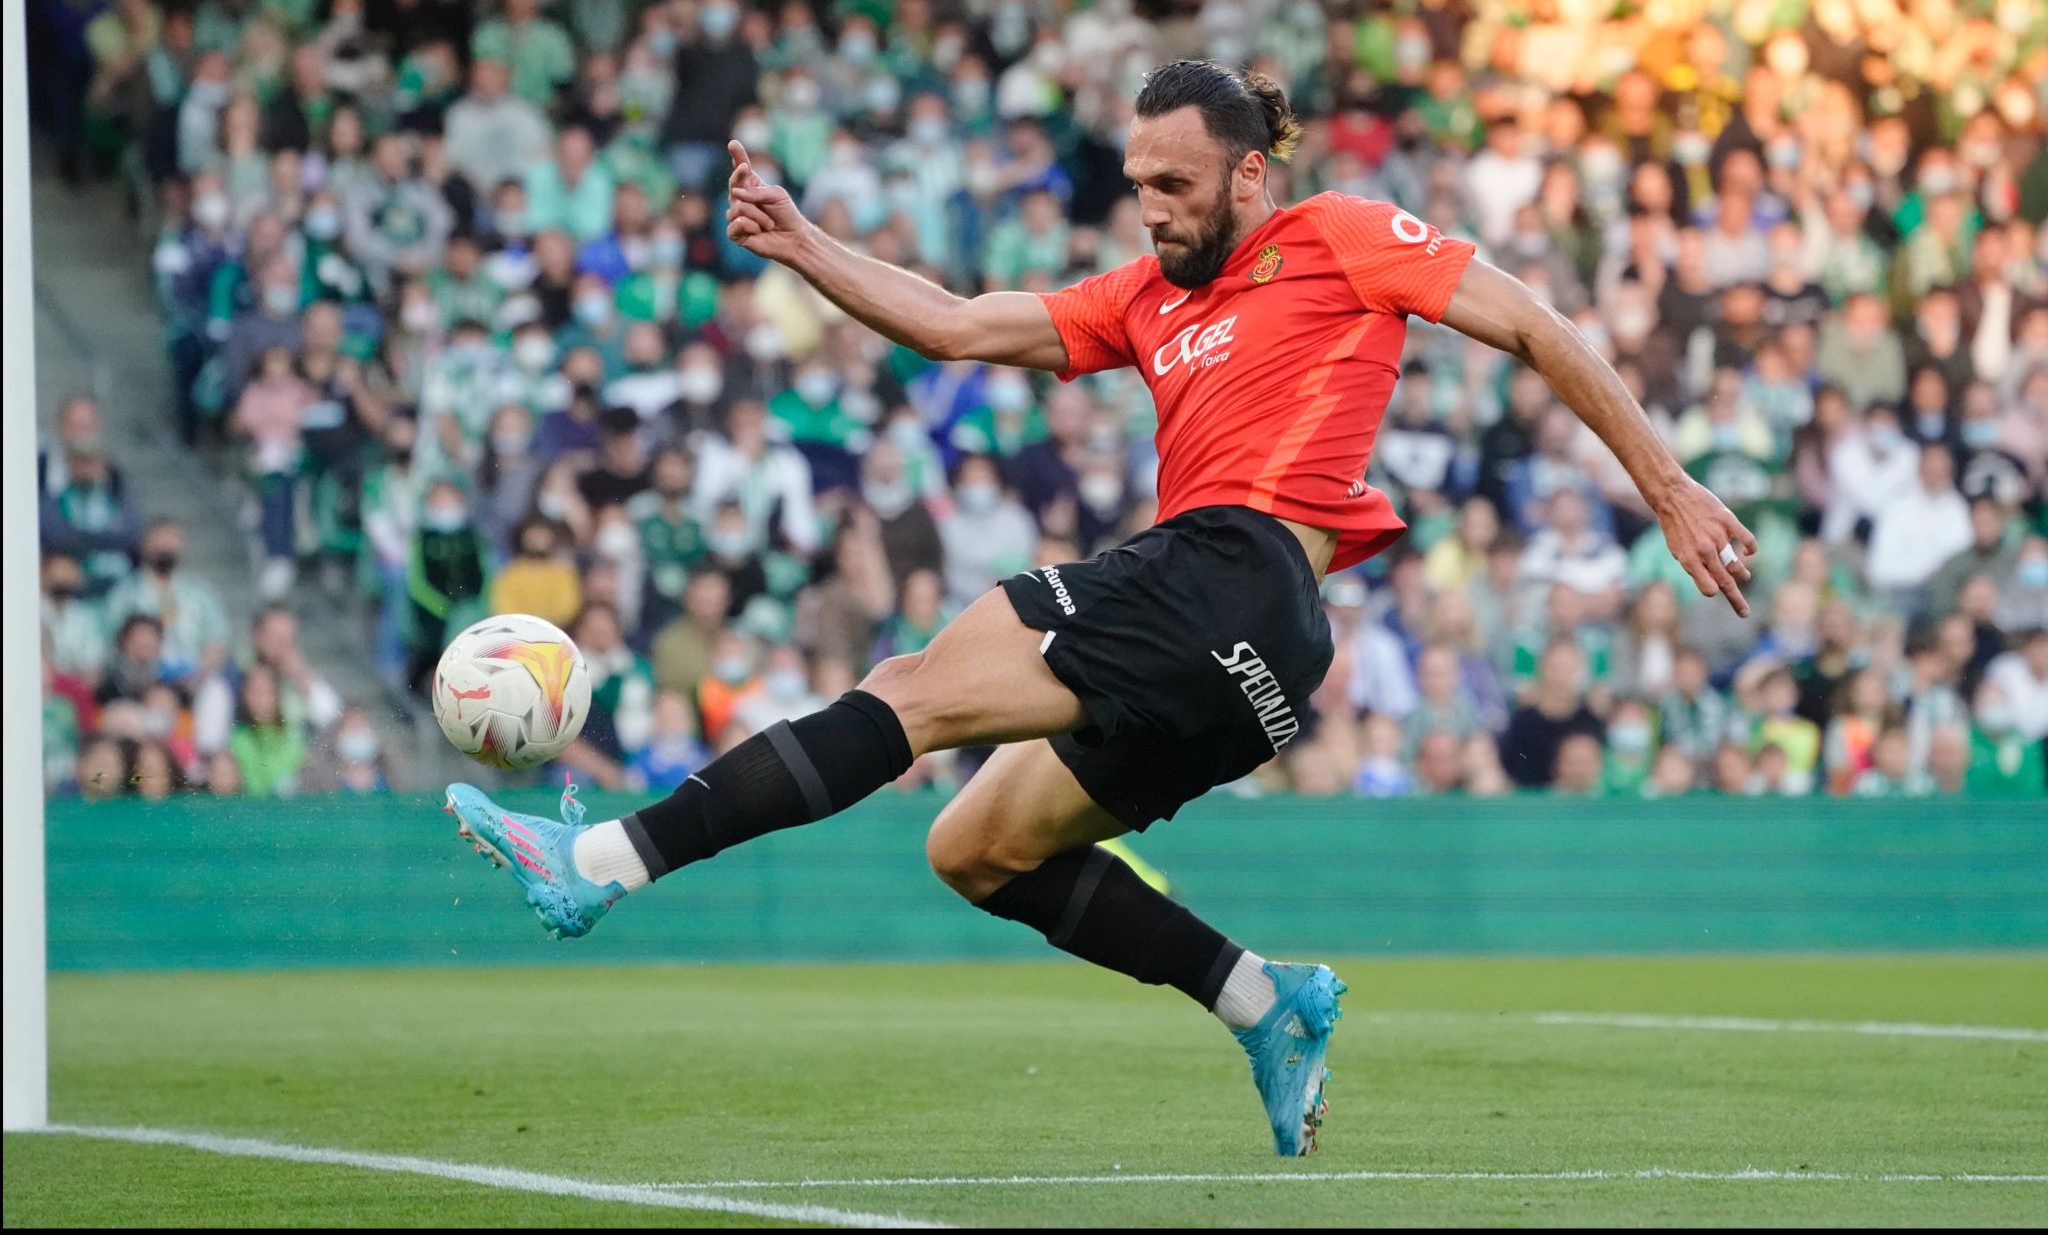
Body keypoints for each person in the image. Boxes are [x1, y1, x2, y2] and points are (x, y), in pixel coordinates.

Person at [441, 61, 1753, 1158]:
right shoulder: (1142, 298)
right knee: (974, 849)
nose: (1152, 211)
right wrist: (801, 243)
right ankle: (1263, 999)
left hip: (1236, 572)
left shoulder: (1341, 235)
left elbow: (1530, 325)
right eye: (1137, 186)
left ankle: (600, 863)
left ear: (1251, 173)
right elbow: (958, 324)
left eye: (1176, 186)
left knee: (910, 689)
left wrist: (1671, 485)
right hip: (1263, 672)